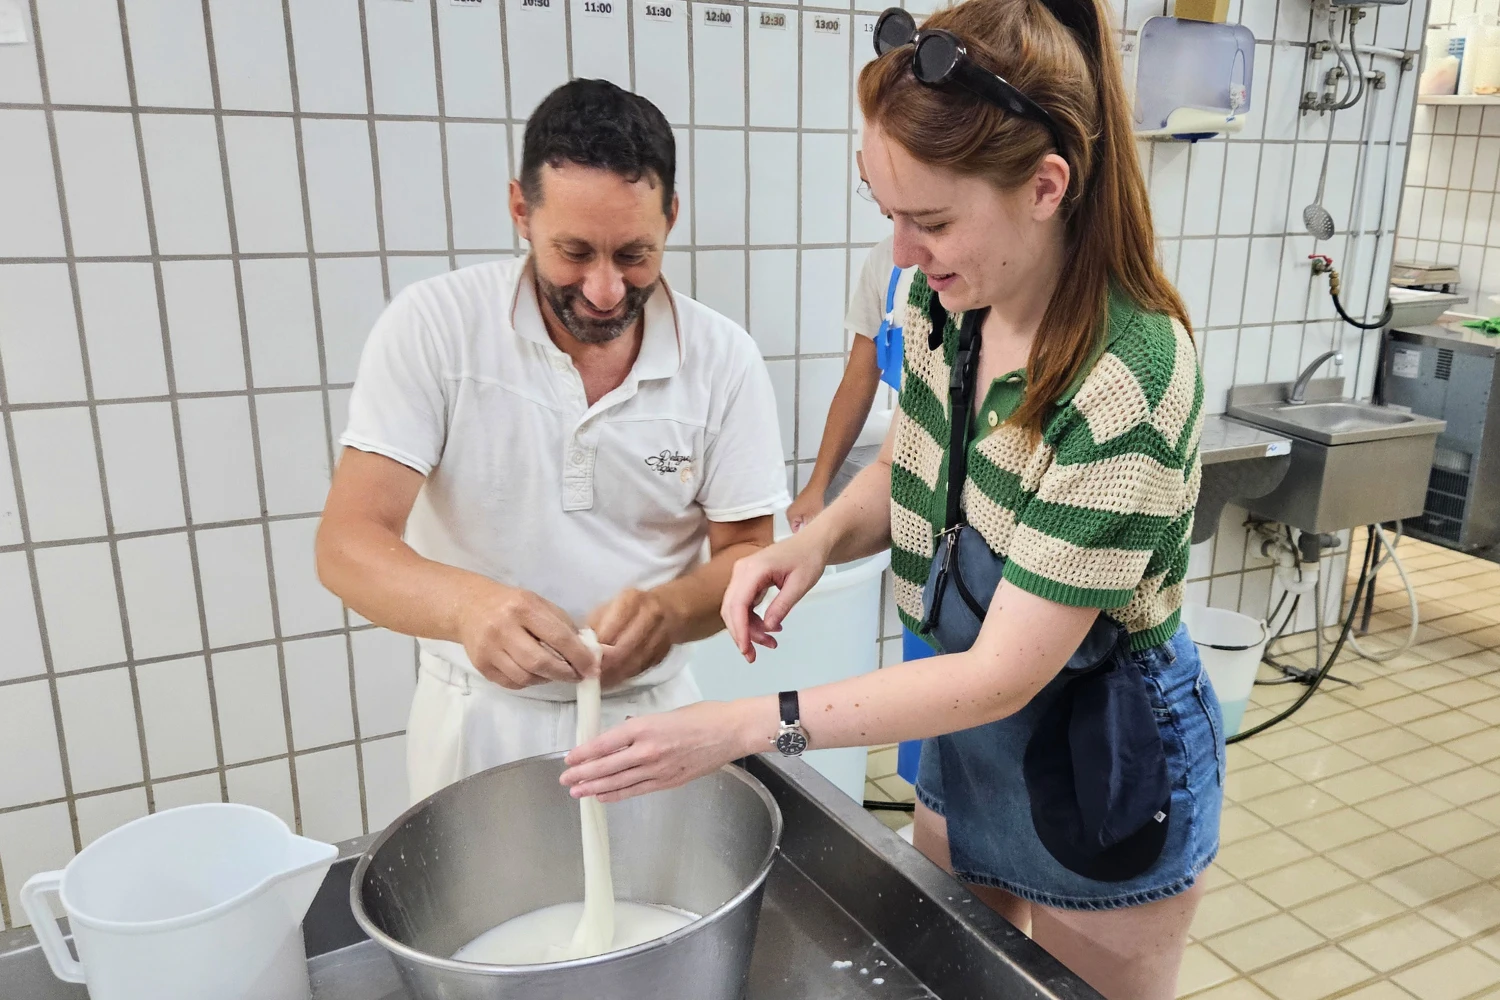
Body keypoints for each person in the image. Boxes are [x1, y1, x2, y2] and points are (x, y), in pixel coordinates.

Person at [560, 3, 1220, 999]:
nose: (904, 253)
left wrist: (745, 724)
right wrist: (817, 538)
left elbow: (1007, 669)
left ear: (1046, 188)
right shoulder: (938, 301)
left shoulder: (1127, 372)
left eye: (934, 219)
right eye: (887, 213)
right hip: (969, 729)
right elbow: (915, 465)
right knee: (960, 974)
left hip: (1102, 751)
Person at [316, 79, 788, 804]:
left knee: (655, 912)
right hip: (478, 719)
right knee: (479, 916)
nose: (604, 290)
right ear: (520, 211)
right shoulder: (437, 329)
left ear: (672, 217)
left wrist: (668, 611)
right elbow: (347, 543)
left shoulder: (722, 360)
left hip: (650, 719)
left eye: (635, 254)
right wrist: (467, 608)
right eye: (574, 252)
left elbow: (749, 555)